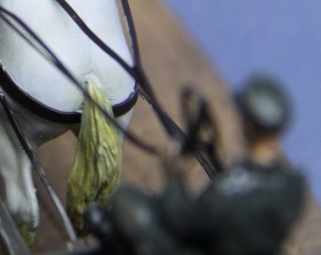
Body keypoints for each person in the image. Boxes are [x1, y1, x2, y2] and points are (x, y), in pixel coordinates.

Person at [87, 75, 306, 255]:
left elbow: (183, 220)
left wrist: (174, 177)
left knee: (127, 203)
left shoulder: (228, 196)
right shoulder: (294, 184)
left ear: (248, 125)